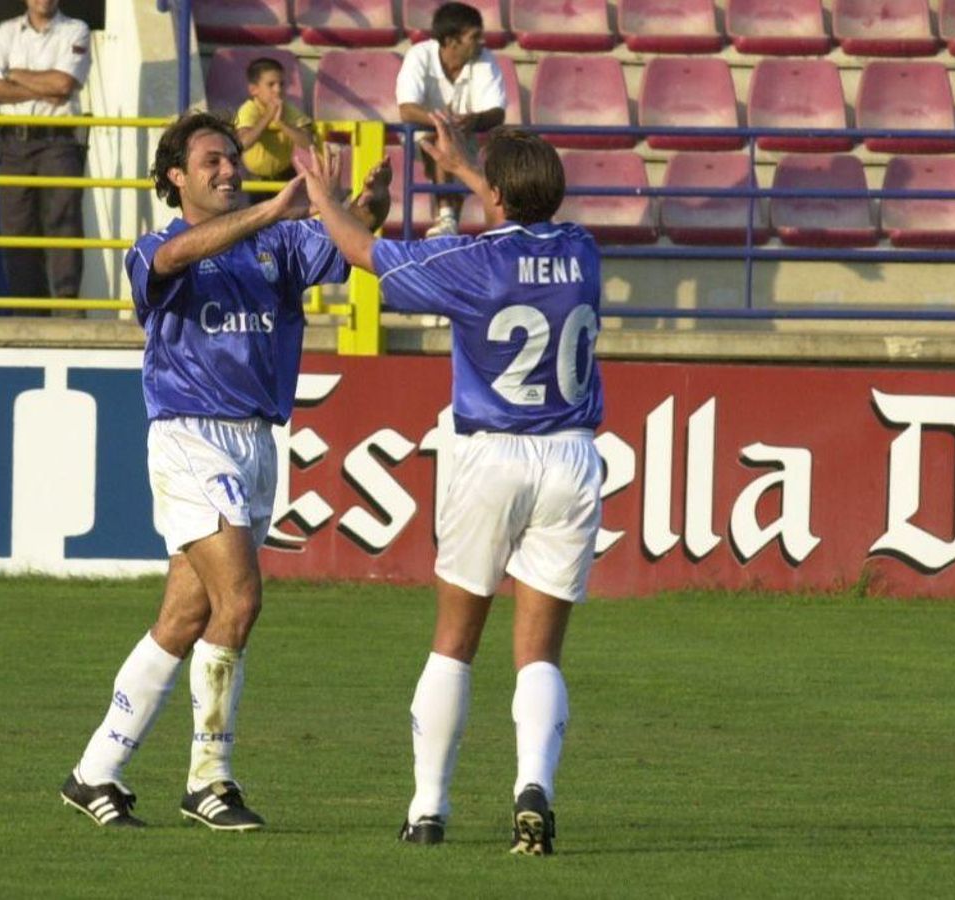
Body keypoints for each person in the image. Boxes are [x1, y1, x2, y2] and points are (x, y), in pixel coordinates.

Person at [59, 111, 390, 831]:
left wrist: (374, 198)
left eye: (233, 159)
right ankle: (209, 779)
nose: (229, 169)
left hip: (257, 442)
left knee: (184, 617)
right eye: (212, 160)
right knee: (239, 601)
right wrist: (276, 206)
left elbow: (353, 239)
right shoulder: (155, 246)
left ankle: (94, 772)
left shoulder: (279, 243)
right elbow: (176, 261)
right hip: (189, 437)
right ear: (175, 176)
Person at [296, 114, 603, 855]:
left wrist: (321, 194)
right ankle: (534, 787)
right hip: (571, 458)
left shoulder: (473, 264)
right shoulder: (584, 250)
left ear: (495, 196)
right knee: (539, 655)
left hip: (491, 454)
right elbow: (521, 216)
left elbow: (363, 251)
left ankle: (428, 808)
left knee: (454, 641)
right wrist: (474, 169)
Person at [0, 0, 93, 302]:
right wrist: (42, 88)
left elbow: (64, 85)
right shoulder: (7, 31)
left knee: (64, 225)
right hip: (13, 144)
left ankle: (66, 306)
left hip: (59, 141)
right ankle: (27, 310)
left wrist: (14, 74)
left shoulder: (76, 29)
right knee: (16, 231)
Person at [396, 1, 506, 237]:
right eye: (474, 36)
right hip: (420, 136)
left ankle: (448, 222)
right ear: (450, 41)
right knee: (441, 140)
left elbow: (497, 113)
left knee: (454, 144)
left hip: (466, 135)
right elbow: (407, 110)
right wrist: (442, 123)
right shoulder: (418, 55)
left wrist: (473, 120)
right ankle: (447, 217)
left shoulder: (485, 59)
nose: (481, 42)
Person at [233, 56, 315, 192]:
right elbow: (242, 143)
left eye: (281, 84)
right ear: (254, 89)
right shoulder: (249, 109)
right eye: (271, 84)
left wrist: (281, 123)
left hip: (285, 176)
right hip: (255, 180)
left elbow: (309, 144)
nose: (278, 90)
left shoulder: (289, 110)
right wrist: (268, 117)